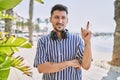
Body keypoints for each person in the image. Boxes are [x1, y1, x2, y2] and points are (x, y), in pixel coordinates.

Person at [34, 4, 92, 80]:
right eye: (56, 17)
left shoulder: (77, 40)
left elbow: (86, 66)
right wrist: (69, 63)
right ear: (50, 19)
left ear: (67, 20)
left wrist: (87, 42)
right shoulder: (43, 41)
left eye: (63, 18)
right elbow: (41, 68)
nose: (60, 21)